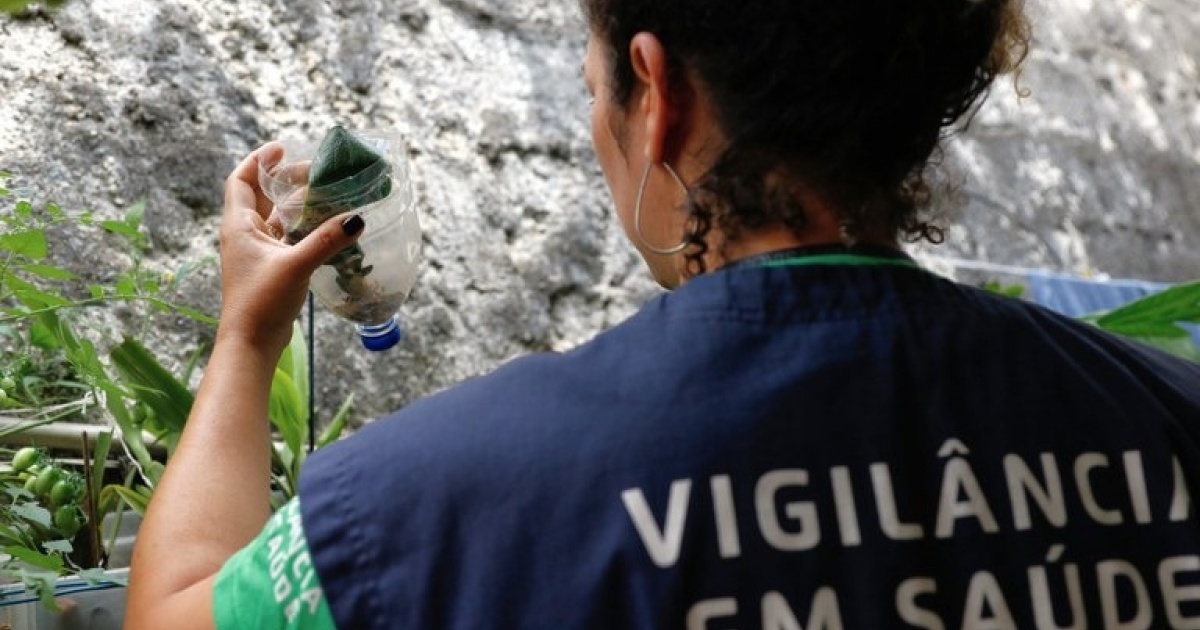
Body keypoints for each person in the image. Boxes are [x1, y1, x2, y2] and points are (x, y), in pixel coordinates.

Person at [126, 0, 1200, 627]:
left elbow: (173, 607)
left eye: (599, 86)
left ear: (658, 89)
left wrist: (246, 337)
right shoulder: (1169, 416)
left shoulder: (425, 509)